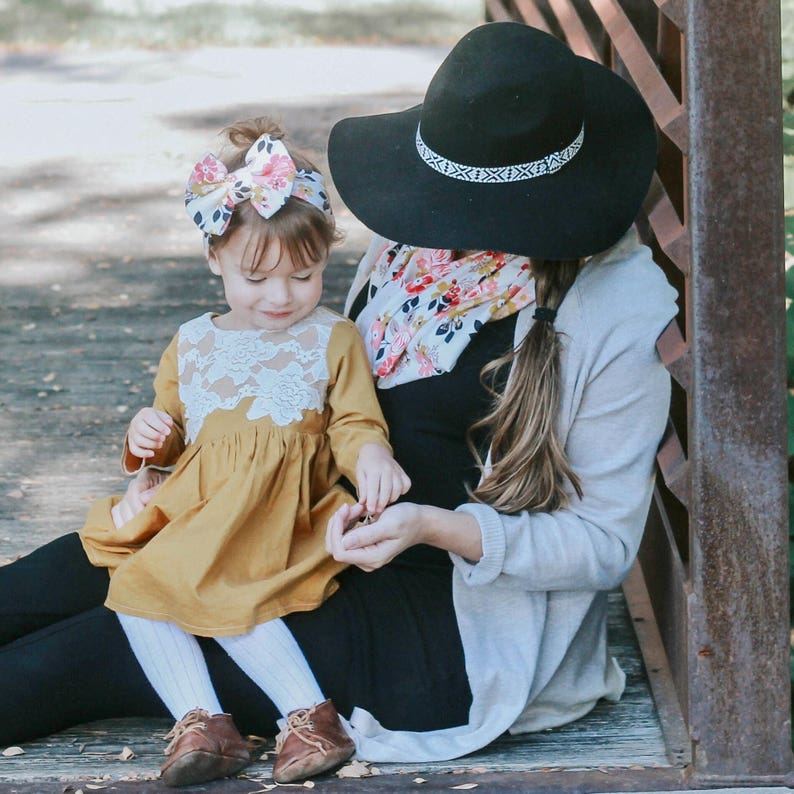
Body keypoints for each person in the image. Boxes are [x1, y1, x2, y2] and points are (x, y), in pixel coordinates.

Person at [0, 20, 678, 784]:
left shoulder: (612, 311)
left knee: (91, 647)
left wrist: (432, 526)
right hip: (295, 524)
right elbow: (308, 393)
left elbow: (600, 544)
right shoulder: (422, 227)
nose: (448, 228)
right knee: (49, 580)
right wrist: (178, 467)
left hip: (433, 627)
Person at [80, 117, 410, 786]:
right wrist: (148, 447)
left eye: (304, 275)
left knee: (225, 575)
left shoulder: (332, 338)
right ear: (215, 261)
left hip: (283, 510)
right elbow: (170, 427)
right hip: (204, 504)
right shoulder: (193, 342)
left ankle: (310, 718)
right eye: (256, 279)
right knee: (138, 584)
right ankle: (203, 722)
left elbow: (352, 420)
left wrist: (371, 456)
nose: (283, 297)